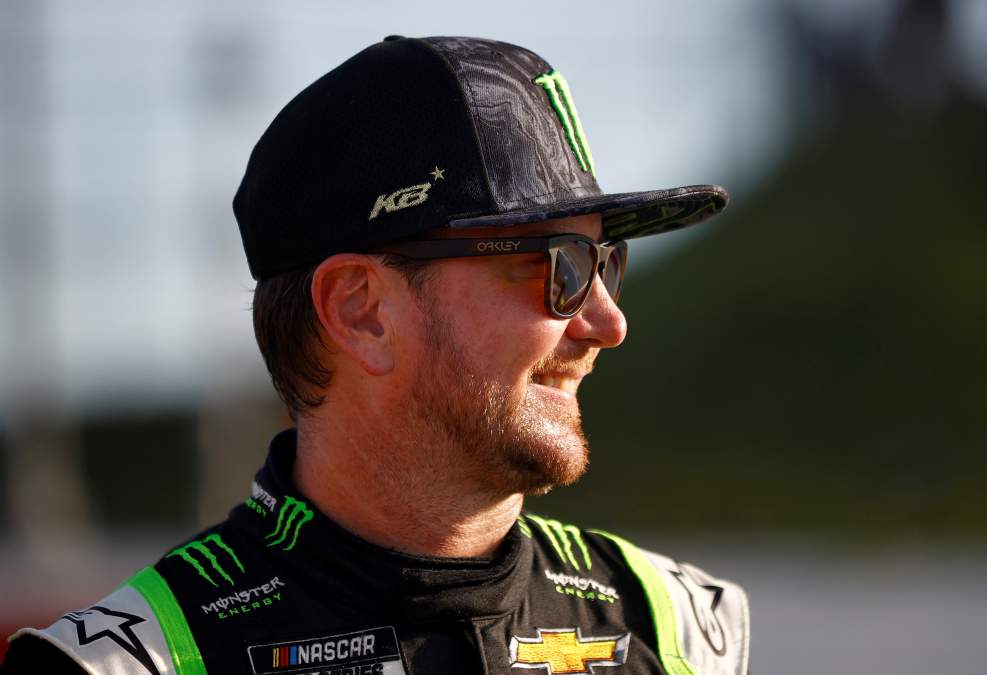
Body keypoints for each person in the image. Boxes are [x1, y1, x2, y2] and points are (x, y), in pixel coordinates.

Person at [0, 35, 748, 675]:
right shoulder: (123, 663)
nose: (607, 322)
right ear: (362, 311)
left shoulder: (680, 623)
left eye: (606, 263)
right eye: (558, 265)